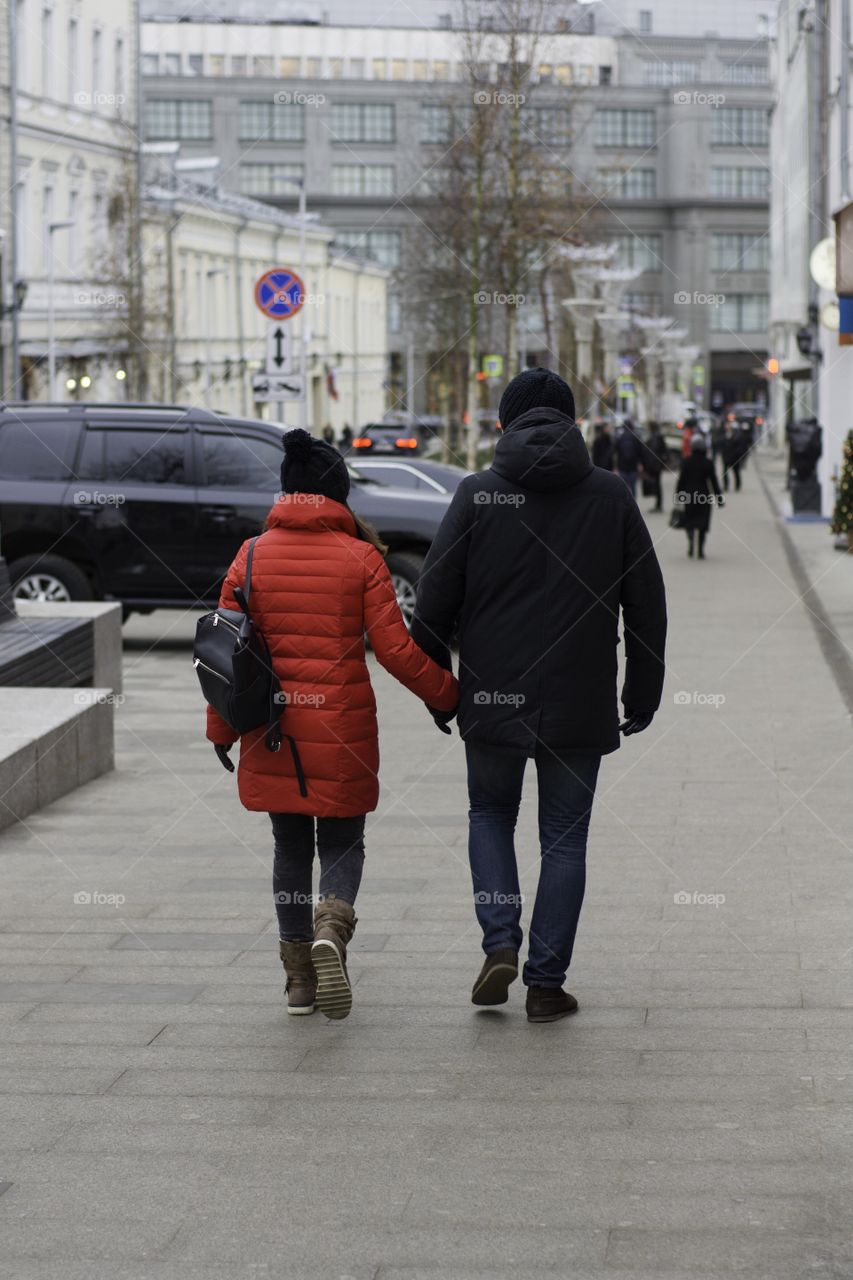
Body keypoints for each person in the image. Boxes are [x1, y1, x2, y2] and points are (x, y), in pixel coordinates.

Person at [411, 368, 667, 1023]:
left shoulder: (476, 495)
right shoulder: (609, 496)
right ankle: (546, 985)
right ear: (573, 422)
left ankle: (499, 940)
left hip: (490, 697)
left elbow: (430, 609)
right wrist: (642, 692)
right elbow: (646, 608)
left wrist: (443, 695)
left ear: (504, 424)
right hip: (579, 699)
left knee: (488, 815)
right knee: (564, 841)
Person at [206, 429, 458, 1020]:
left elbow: (223, 654)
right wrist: (447, 695)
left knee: (289, 845)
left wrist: (221, 730)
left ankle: (299, 981)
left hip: (270, 728)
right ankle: (332, 927)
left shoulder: (251, 553)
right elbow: (396, 652)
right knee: (342, 839)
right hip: (342, 729)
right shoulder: (363, 557)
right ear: (338, 495)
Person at [674, 433, 723, 559]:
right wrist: (719, 499)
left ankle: (691, 543)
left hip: (689, 496)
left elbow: (681, 480)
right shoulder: (708, 463)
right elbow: (713, 481)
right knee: (702, 523)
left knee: (689, 521)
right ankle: (700, 550)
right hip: (704, 496)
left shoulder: (686, 462)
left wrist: (678, 495)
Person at [640, 420, 669, 513]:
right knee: (657, 484)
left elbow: (655, 452)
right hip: (655, 465)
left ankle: (658, 505)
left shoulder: (656, 436)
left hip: (654, 465)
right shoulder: (655, 436)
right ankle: (658, 505)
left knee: (657, 485)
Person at [613, 419, 642, 495]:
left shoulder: (620, 437)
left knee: (624, 487)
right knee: (633, 487)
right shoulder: (635, 437)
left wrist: (615, 467)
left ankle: (625, 504)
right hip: (633, 466)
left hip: (622, 466)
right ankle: (634, 504)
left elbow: (614, 452)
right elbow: (640, 451)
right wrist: (640, 464)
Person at [722, 422, 749, 492]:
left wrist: (738, 456)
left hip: (734, 458)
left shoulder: (738, 436)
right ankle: (726, 486)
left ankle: (737, 486)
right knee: (725, 472)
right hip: (726, 457)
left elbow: (741, 448)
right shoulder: (725, 435)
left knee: (736, 472)